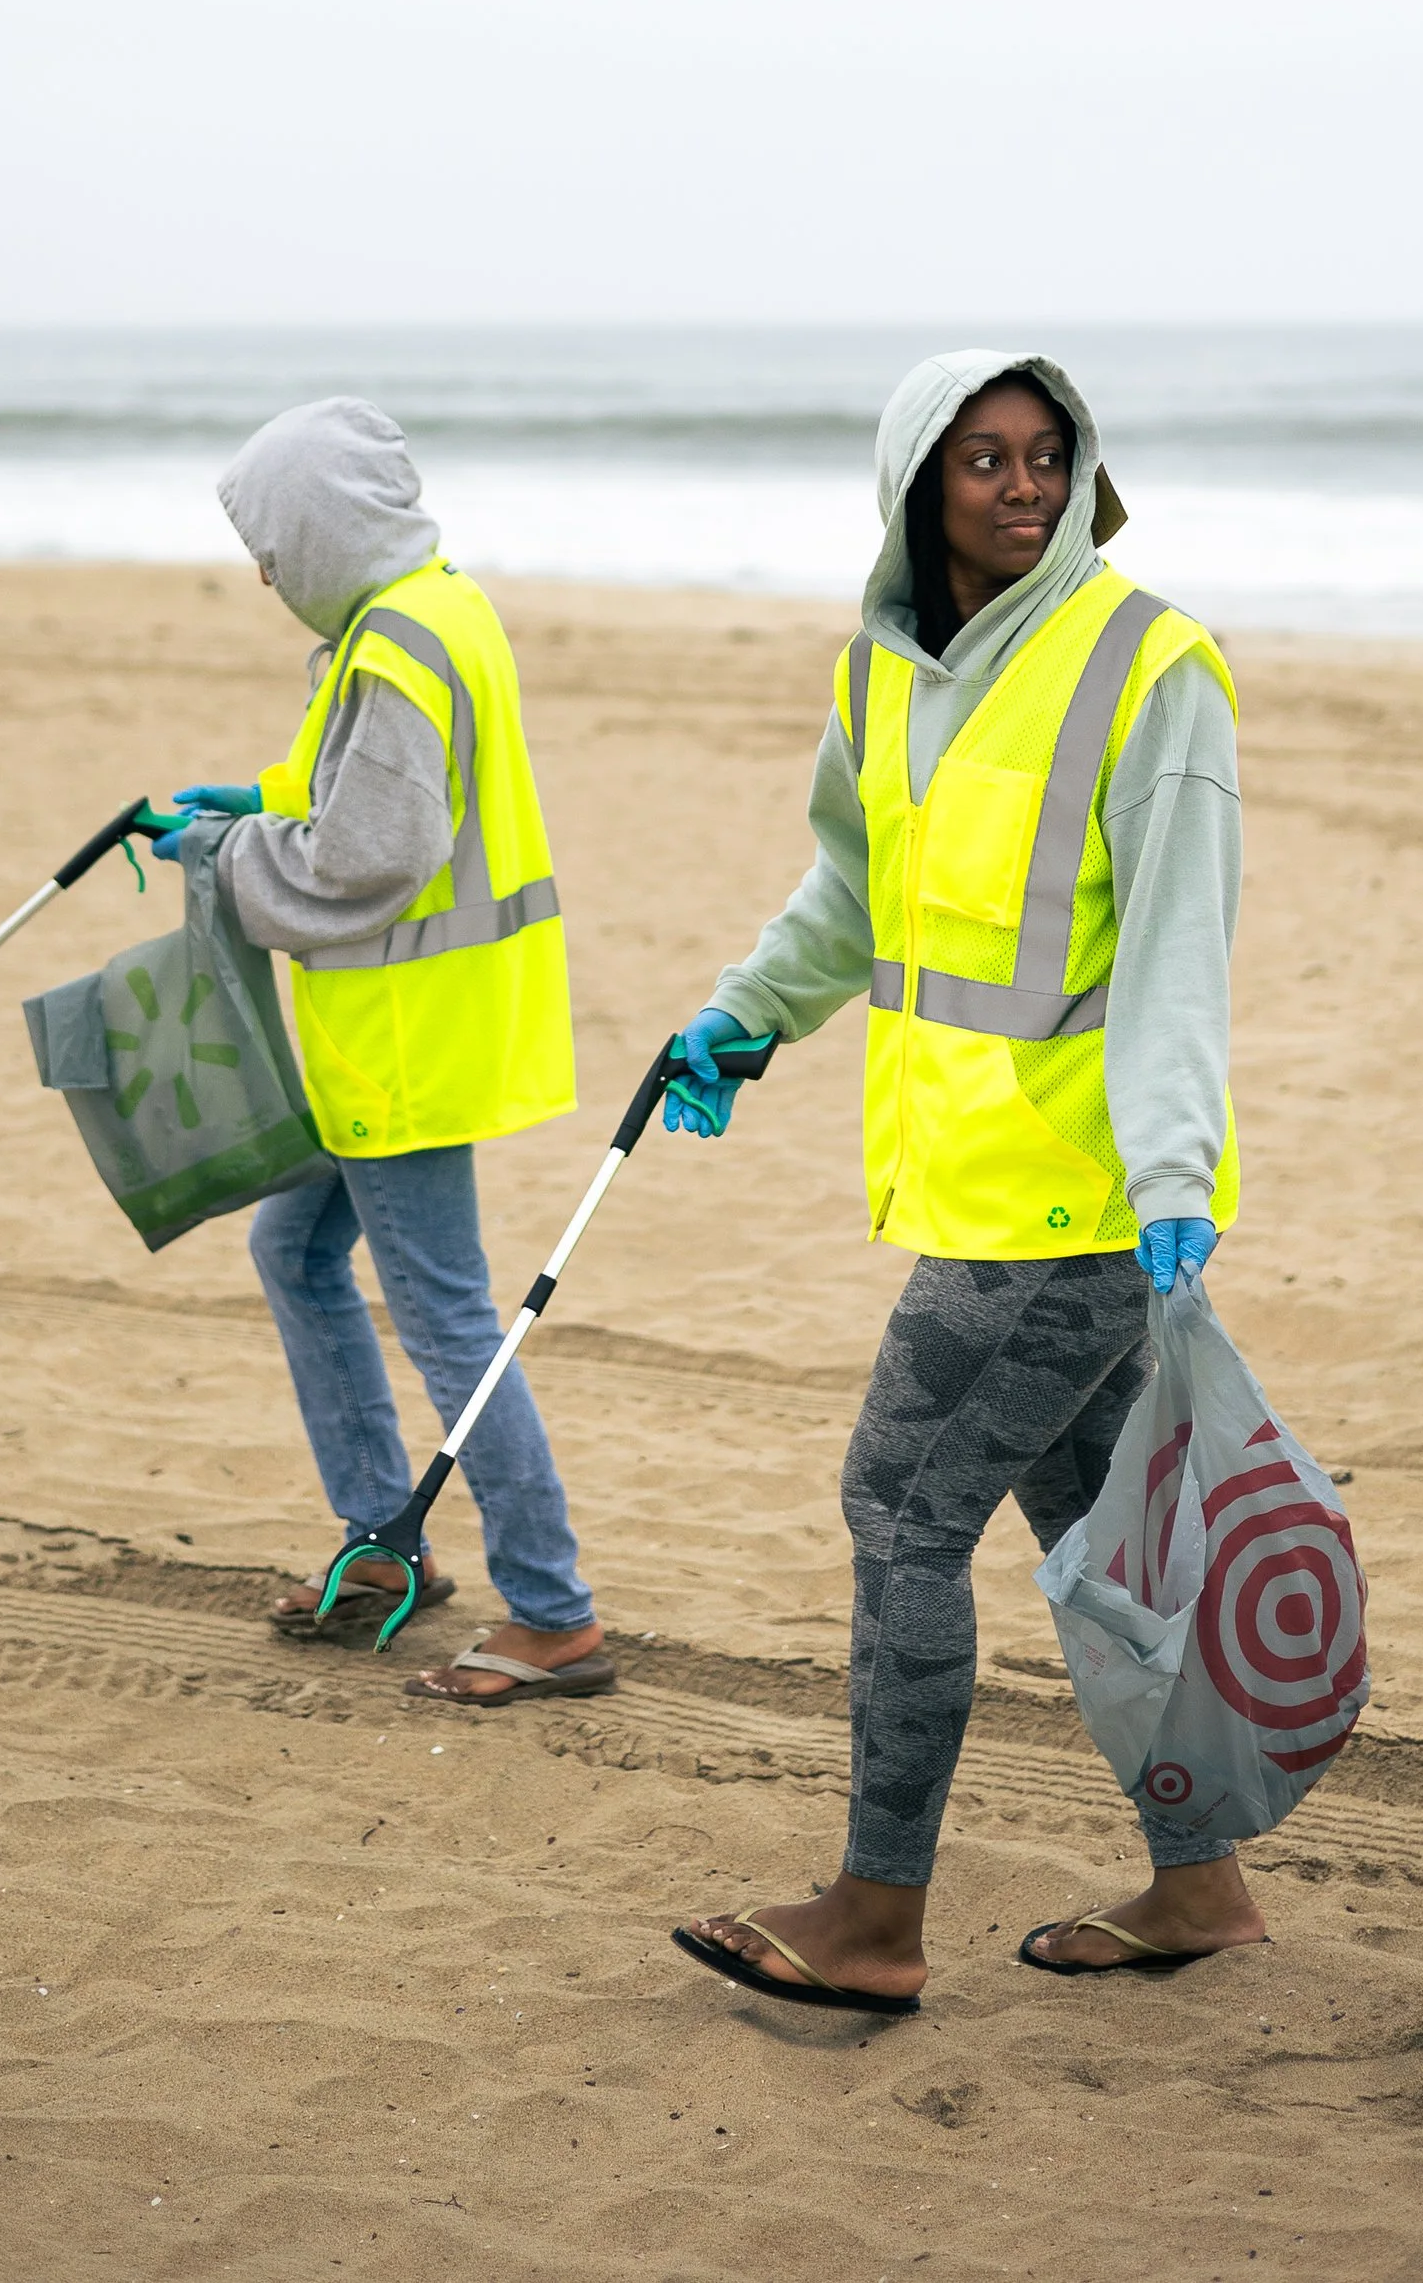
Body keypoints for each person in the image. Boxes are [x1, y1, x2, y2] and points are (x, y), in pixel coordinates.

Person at [664, 349, 1264, 2005]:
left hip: (1077, 1199)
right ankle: (1201, 1882)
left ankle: (874, 1918)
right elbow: (853, 889)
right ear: (917, 481)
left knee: (899, 1512)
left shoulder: (1153, 667)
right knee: (1089, 1533)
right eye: (982, 456)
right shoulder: (886, 669)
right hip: (975, 1181)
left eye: (1047, 453)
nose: (1022, 484)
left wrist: (1173, 1173)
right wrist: (745, 1012)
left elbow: (1178, 956)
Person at [159, 394, 614, 1708]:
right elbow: (373, 793)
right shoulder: (428, 606)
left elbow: (371, 854)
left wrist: (226, 855)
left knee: (449, 1319)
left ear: (323, 528)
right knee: (296, 1252)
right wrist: (258, 802)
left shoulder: (397, 647)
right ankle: (380, 1541)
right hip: (397, 1035)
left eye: (271, 547)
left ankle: (554, 1613)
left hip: (404, 1044)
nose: (264, 576)